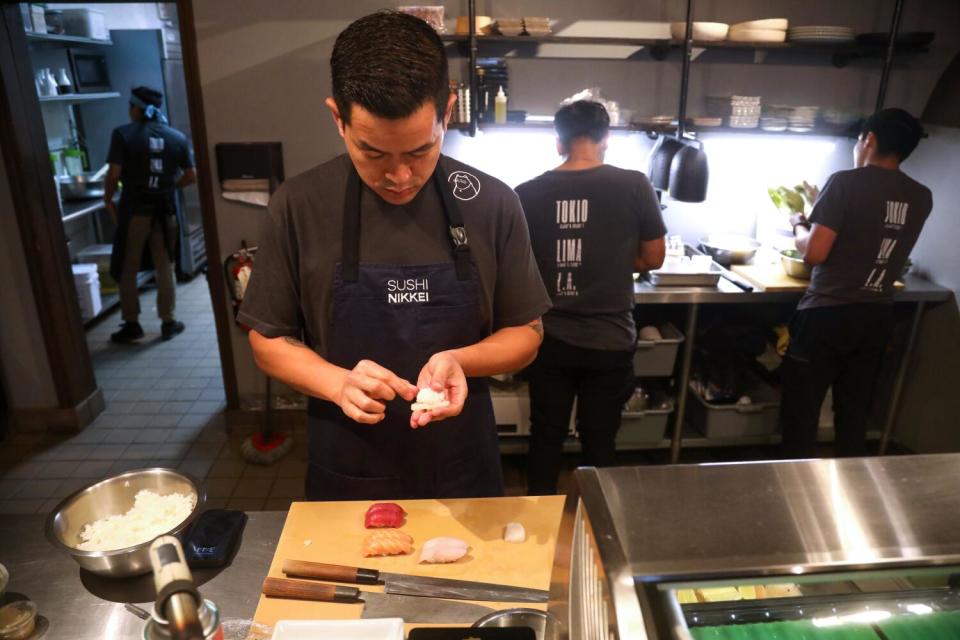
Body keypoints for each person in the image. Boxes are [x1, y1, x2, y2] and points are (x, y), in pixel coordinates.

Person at [237, 11, 551, 501]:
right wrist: (338, 383)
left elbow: (526, 335)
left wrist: (459, 361)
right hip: (348, 467)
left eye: (420, 151)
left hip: (464, 472)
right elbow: (267, 338)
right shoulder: (299, 205)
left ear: (447, 111)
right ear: (337, 119)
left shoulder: (491, 202)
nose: (400, 177)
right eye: (375, 154)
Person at [515, 101, 666, 495]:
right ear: (606, 139)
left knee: (545, 434)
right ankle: (601, 528)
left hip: (549, 339)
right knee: (601, 439)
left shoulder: (526, 194)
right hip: (610, 340)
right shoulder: (634, 184)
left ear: (558, 142)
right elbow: (654, 257)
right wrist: (613, 265)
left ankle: (537, 525)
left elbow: (517, 267)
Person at [779, 108, 932, 458]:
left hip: (826, 316)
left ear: (870, 140)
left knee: (801, 415)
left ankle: (791, 496)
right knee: (853, 416)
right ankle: (853, 497)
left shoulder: (845, 182)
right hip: (876, 318)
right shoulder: (921, 195)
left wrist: (798, 225)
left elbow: (815, 253)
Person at [105, 86, 195, 343]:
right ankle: (169, 322)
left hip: (134, 211)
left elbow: (113, 175)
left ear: (136, 108)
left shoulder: (123, 134)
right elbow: (191, 176)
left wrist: (107, 198)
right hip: (165, 211)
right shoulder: (176, 137)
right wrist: (168, 188)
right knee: (165, 265)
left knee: (127, 266)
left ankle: (132, 324)